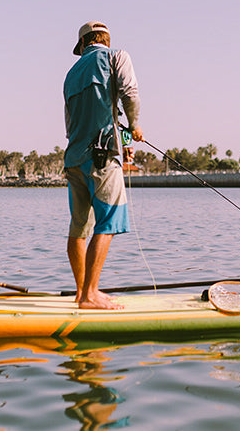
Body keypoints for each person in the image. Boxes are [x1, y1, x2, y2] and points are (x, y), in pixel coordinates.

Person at [63, 21, 143, 309]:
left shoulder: (71, 74)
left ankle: (81, 293)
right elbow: (130, 92)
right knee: (107, 223)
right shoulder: (116, 56)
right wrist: (134, 126)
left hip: (74, 159)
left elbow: (70, 124)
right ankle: (91, 294)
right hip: (103, 158)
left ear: (83, 44)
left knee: (79, 227)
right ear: (105, 40)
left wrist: (123, 138)